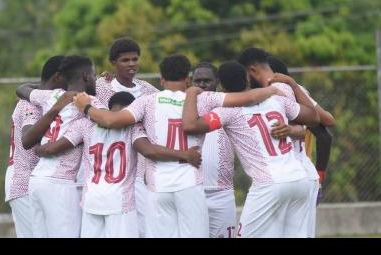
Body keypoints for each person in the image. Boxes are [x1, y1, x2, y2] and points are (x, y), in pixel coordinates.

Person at [73, 54, 282, 237]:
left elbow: (111, 120)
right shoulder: (204, 98)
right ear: (189, 79)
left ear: (162, 79)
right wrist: (272, 90)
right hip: (189, 185)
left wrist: (87, 108)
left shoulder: (148, 101)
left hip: (158, 188)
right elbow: (248, 97)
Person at [182, 60, 320, 237]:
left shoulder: (227, 112)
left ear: (222, 87)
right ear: (247, 80)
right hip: (300, 180)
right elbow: (314, 117)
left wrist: (192, 93)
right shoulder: (277, 100)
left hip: (269, 184)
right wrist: (293, 84)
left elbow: (190, 125)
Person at [35, 91, 201, 237]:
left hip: (91, 200)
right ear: (131, 110)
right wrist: (184, 154)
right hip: (120, 203)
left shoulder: (85, 124)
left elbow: (52, 149)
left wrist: (37, 149)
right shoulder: (133, 127)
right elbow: (149, 151)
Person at [238, 48, 335, 237]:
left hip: (288, 174)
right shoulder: (289, 89)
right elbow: (319, 124)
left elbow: (320, 125)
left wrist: (295, 129)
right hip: (299, 176)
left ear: (252, 71)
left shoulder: (277, 91)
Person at [16, 55, 103, 238]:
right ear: (86, 76)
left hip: (37, 181)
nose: (95, 80)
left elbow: (21, 89)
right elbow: (109, 119)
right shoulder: (89, 104)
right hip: (59, 184)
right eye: (94, 75)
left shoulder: (51, 95)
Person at [94, 37, 159, 237]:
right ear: (113, 63)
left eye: (134, 59)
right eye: (125, 60)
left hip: (139, 168)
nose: (131, 64)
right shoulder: (101, 86)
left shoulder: (148, 90)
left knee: (142, 226)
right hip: (109, 168)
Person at [4, 55, 66, 238]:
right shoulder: (29, 104)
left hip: (38, 182)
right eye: (68, 79)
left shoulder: (44, 101)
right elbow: (27, 138)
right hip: (23, 182)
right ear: (57, 77)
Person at [192, 62, 237, 238]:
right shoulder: (182, 108)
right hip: (192, 192)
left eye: (207, 81)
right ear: (190, 81)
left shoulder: (230, 107)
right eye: (198, 81)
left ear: (217, 81)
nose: (202, 85)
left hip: (222, 193)